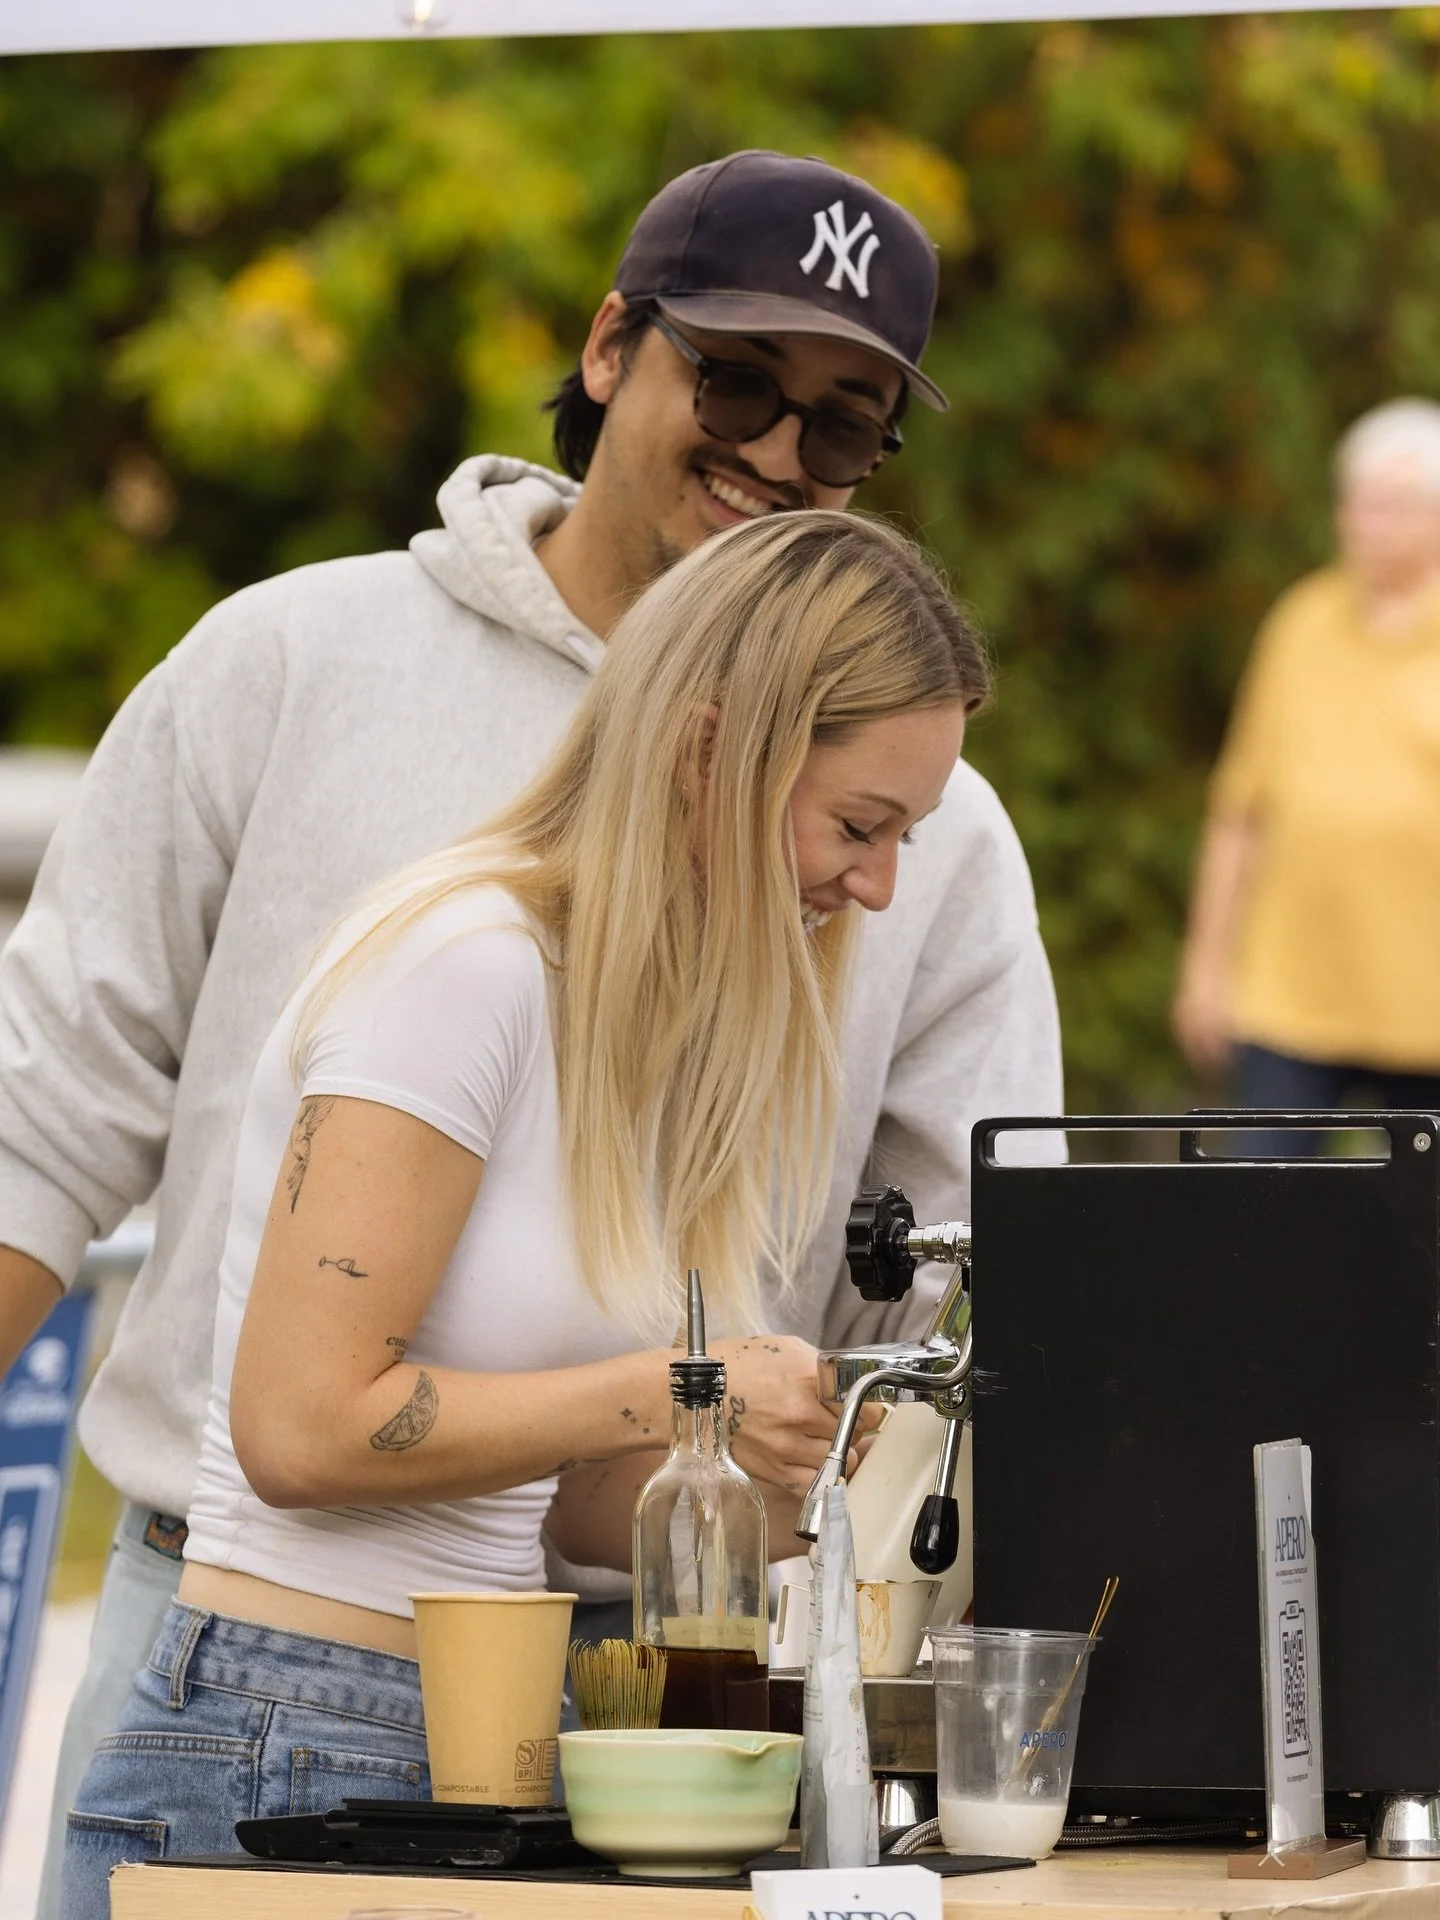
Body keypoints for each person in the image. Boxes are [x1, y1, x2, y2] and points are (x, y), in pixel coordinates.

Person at [4, 150, 1062, 1914]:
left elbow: (952, 1289)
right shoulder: (311, 691)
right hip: (266, 1663)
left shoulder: (911, 837)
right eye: (739, 382)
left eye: (847, 423)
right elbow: (50, 1127)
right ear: (609, 347)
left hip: (638, 1685)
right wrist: (697, 1389)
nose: (783, 452)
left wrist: (815, 1502)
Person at [57, 509, 987, 1908]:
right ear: (709, 751)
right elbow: (299, 1428)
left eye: (907, 836)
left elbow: (554, 1496)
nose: (881, 884)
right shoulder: (464, 964)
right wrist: (686, 1388)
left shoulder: (638, 1027)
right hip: (287, 1733)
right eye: (861, 825)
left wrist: (811, 1489)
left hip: (485, 1745)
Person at [1173, 397, 1440, 1119]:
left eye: (1392, 506)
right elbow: (1240, 810)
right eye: (1357, 501)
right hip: (1289, 997)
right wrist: (1206, 966)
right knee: (1265, 1188)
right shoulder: (1301, 622)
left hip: (1427, 1009)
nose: (1366, 522)